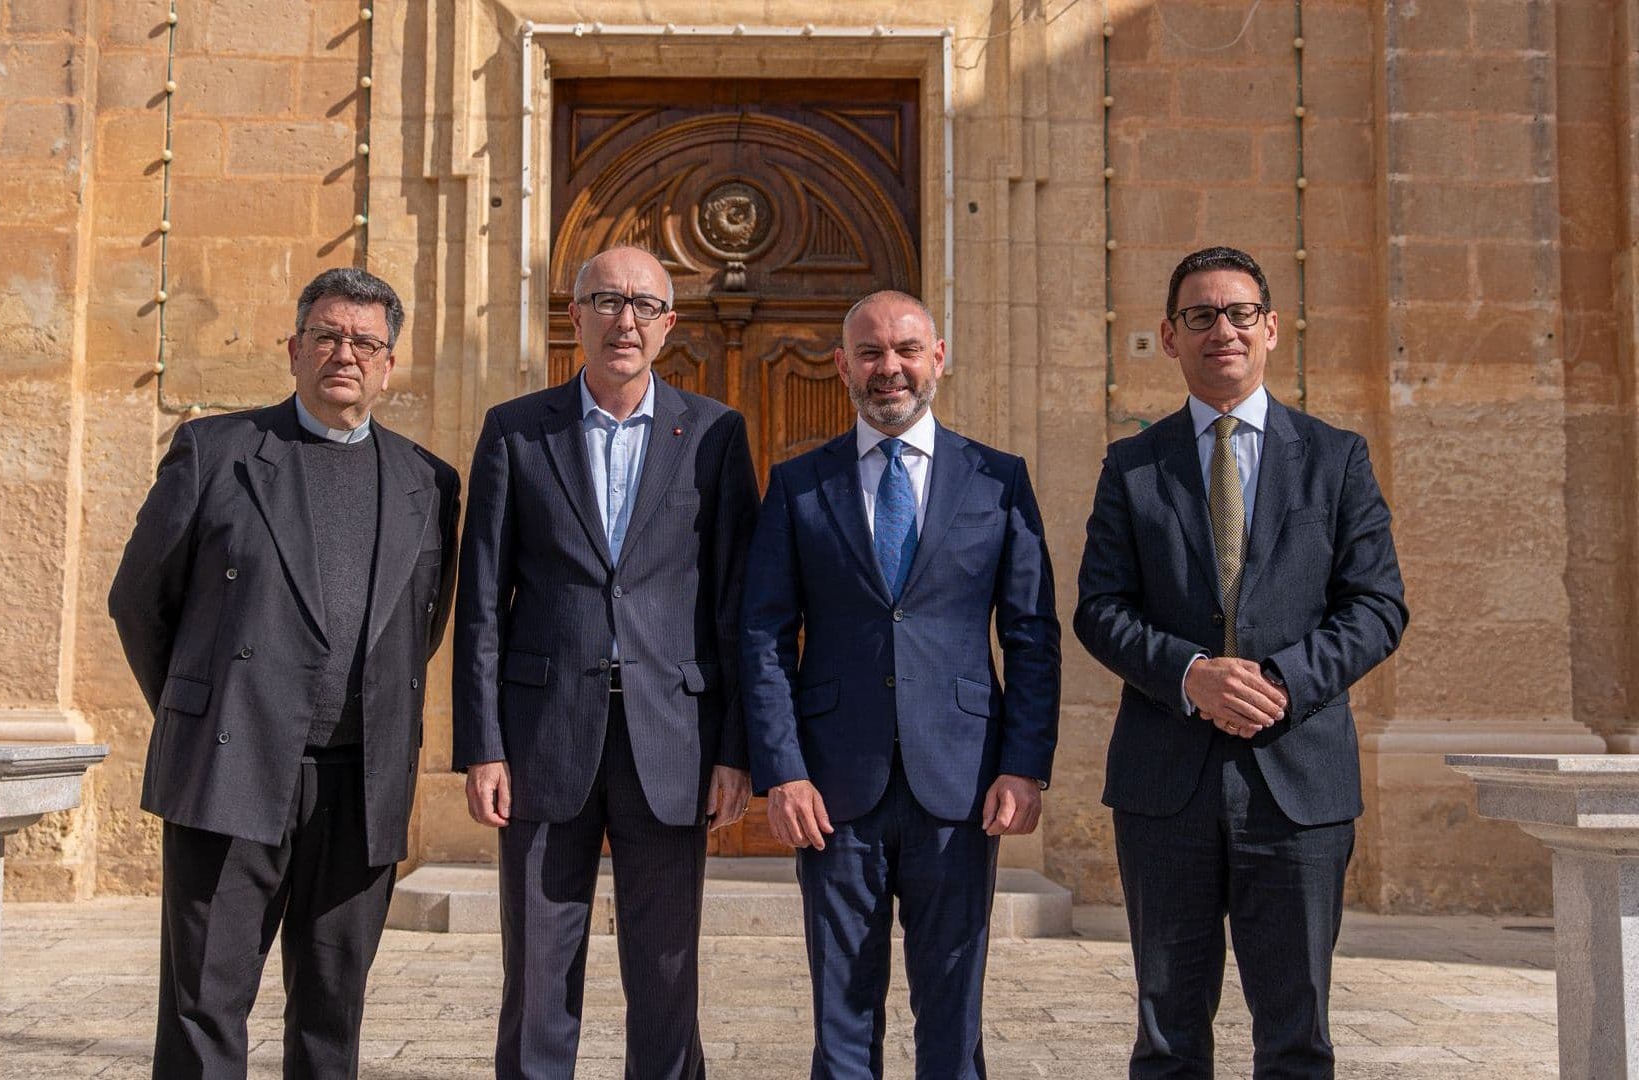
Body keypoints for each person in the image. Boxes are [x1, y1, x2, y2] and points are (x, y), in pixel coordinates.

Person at [109, 267, 460, 1079]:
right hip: (228, 771)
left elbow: (421, 625)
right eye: (329, 336)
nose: (346, 353)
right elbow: (138, 599)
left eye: (365, 342)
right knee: (204, 1007)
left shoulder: (427, 482)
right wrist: (201, 708)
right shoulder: (218, 452)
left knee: (333, 1013)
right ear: (295, 349)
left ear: (389, 363)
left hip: (360, 784)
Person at [1074, 245, 1408, 1078]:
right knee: (1168, 1036)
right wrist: (1190, 675)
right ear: (1169, 336)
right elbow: (1099, 609)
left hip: (1297, 788)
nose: (1220, 329)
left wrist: (1280, 683)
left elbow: (1377, 607)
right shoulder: (1133, 466)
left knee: (1297, 1034)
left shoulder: (1337, 459)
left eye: (1237, 313)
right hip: (1165, 786)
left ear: (1270, 329)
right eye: (1199, 316)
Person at [451, 244, 761, 1079]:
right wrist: (481, 745)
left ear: (668, 325)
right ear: (576, 316)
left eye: (643, 305)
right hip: (544, 736)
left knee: (667, 973)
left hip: (674, 740)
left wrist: (736, 749)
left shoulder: (717, 436)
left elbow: (736, 606)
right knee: (539, 972)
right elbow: (481, 600)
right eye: (606, 301)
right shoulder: (516, 432)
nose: (625, 320)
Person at [741, 290, 1061, 1079]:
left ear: (939, 358)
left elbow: (1031, 633)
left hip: (961, 781)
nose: (891, 369)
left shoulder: (998, 480)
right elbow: (762, 637)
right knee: (841, 1017)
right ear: (843, 365)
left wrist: (1024, 764)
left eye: (907, 350)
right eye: (873, 353)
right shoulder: (798, 485)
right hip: (833, 789)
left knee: (952, 1012)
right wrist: (782, 771)